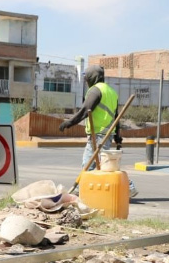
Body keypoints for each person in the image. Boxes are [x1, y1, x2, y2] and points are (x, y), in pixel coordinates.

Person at [59, 65, 138, 198]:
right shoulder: (111, 92)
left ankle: (81, 191)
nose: (86, 81)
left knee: (89, 164)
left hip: (98, 134)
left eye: (86, 78)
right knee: (104, 164)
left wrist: (69, 122)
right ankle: (128, 187)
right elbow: (116, 117)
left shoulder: (95, 90)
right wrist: (118, 136)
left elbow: (85, 110)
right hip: (106, 133)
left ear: (92, 77)